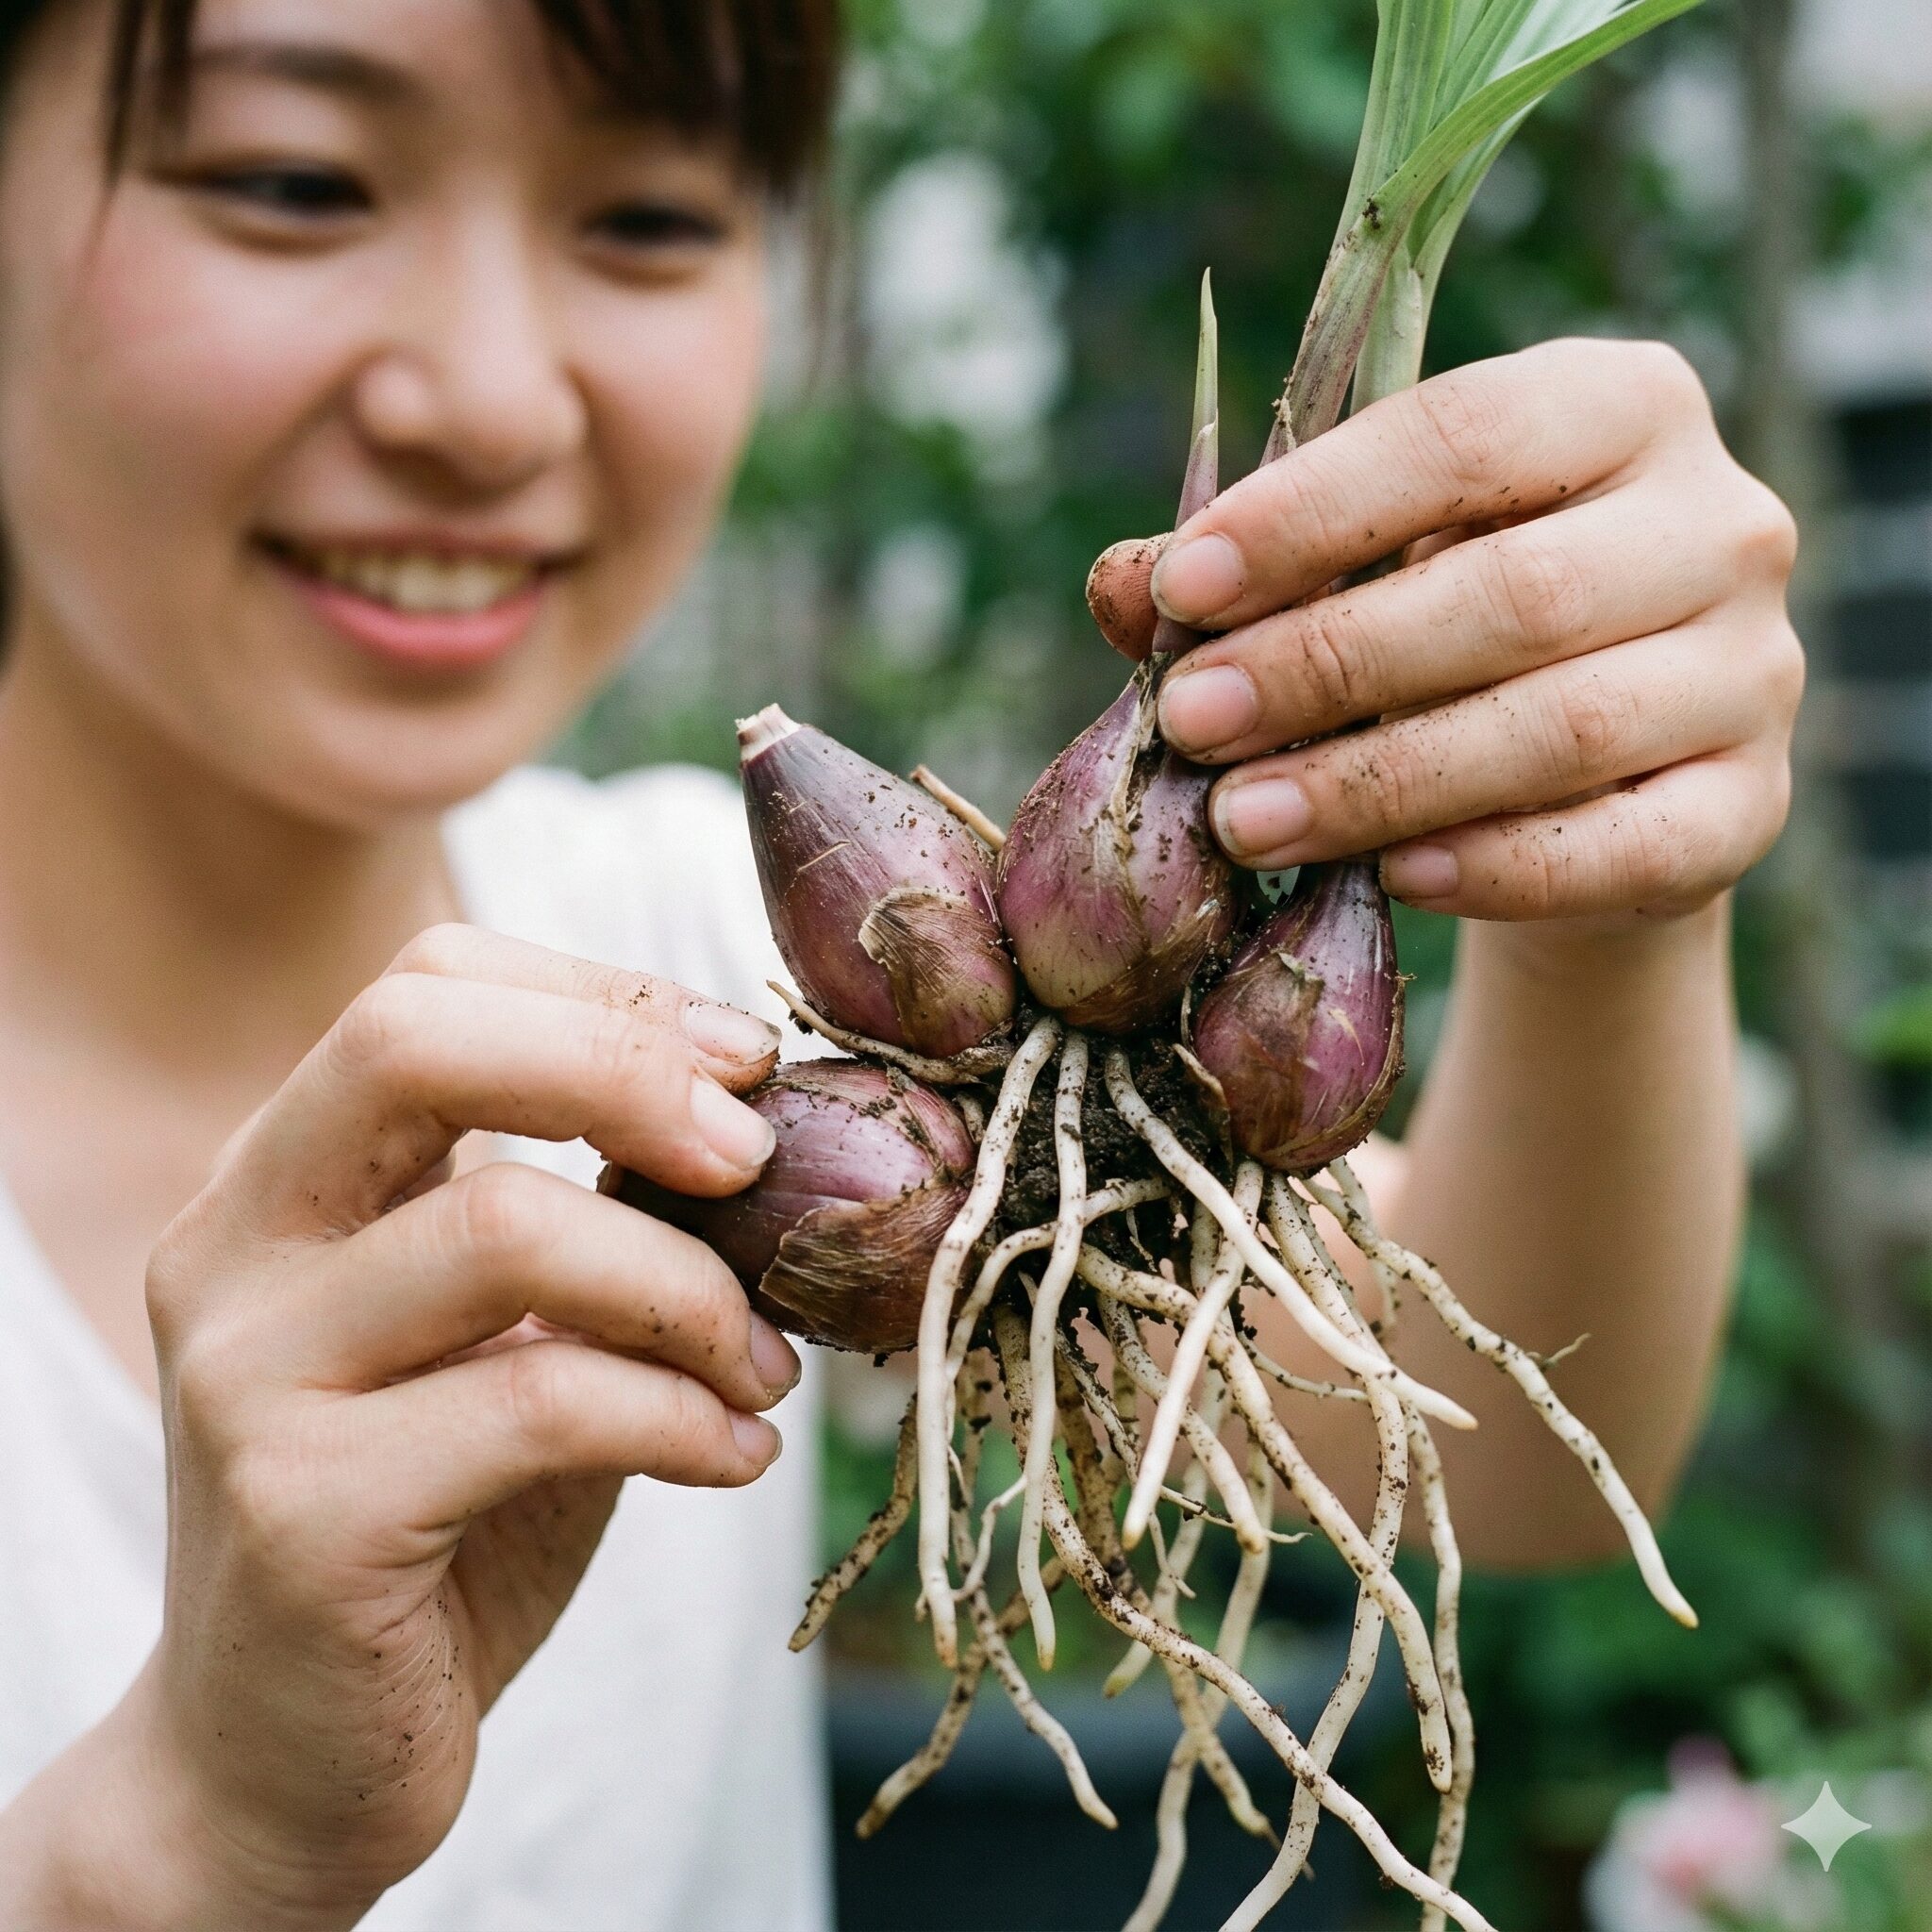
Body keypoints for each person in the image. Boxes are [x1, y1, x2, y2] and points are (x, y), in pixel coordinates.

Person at [0, 0, 1801, 1926]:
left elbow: (1518, 1448)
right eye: (295, 182)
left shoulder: (693, 950)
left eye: (647, 222)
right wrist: (183, 1849)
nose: (494, 398)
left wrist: (1608, 899)